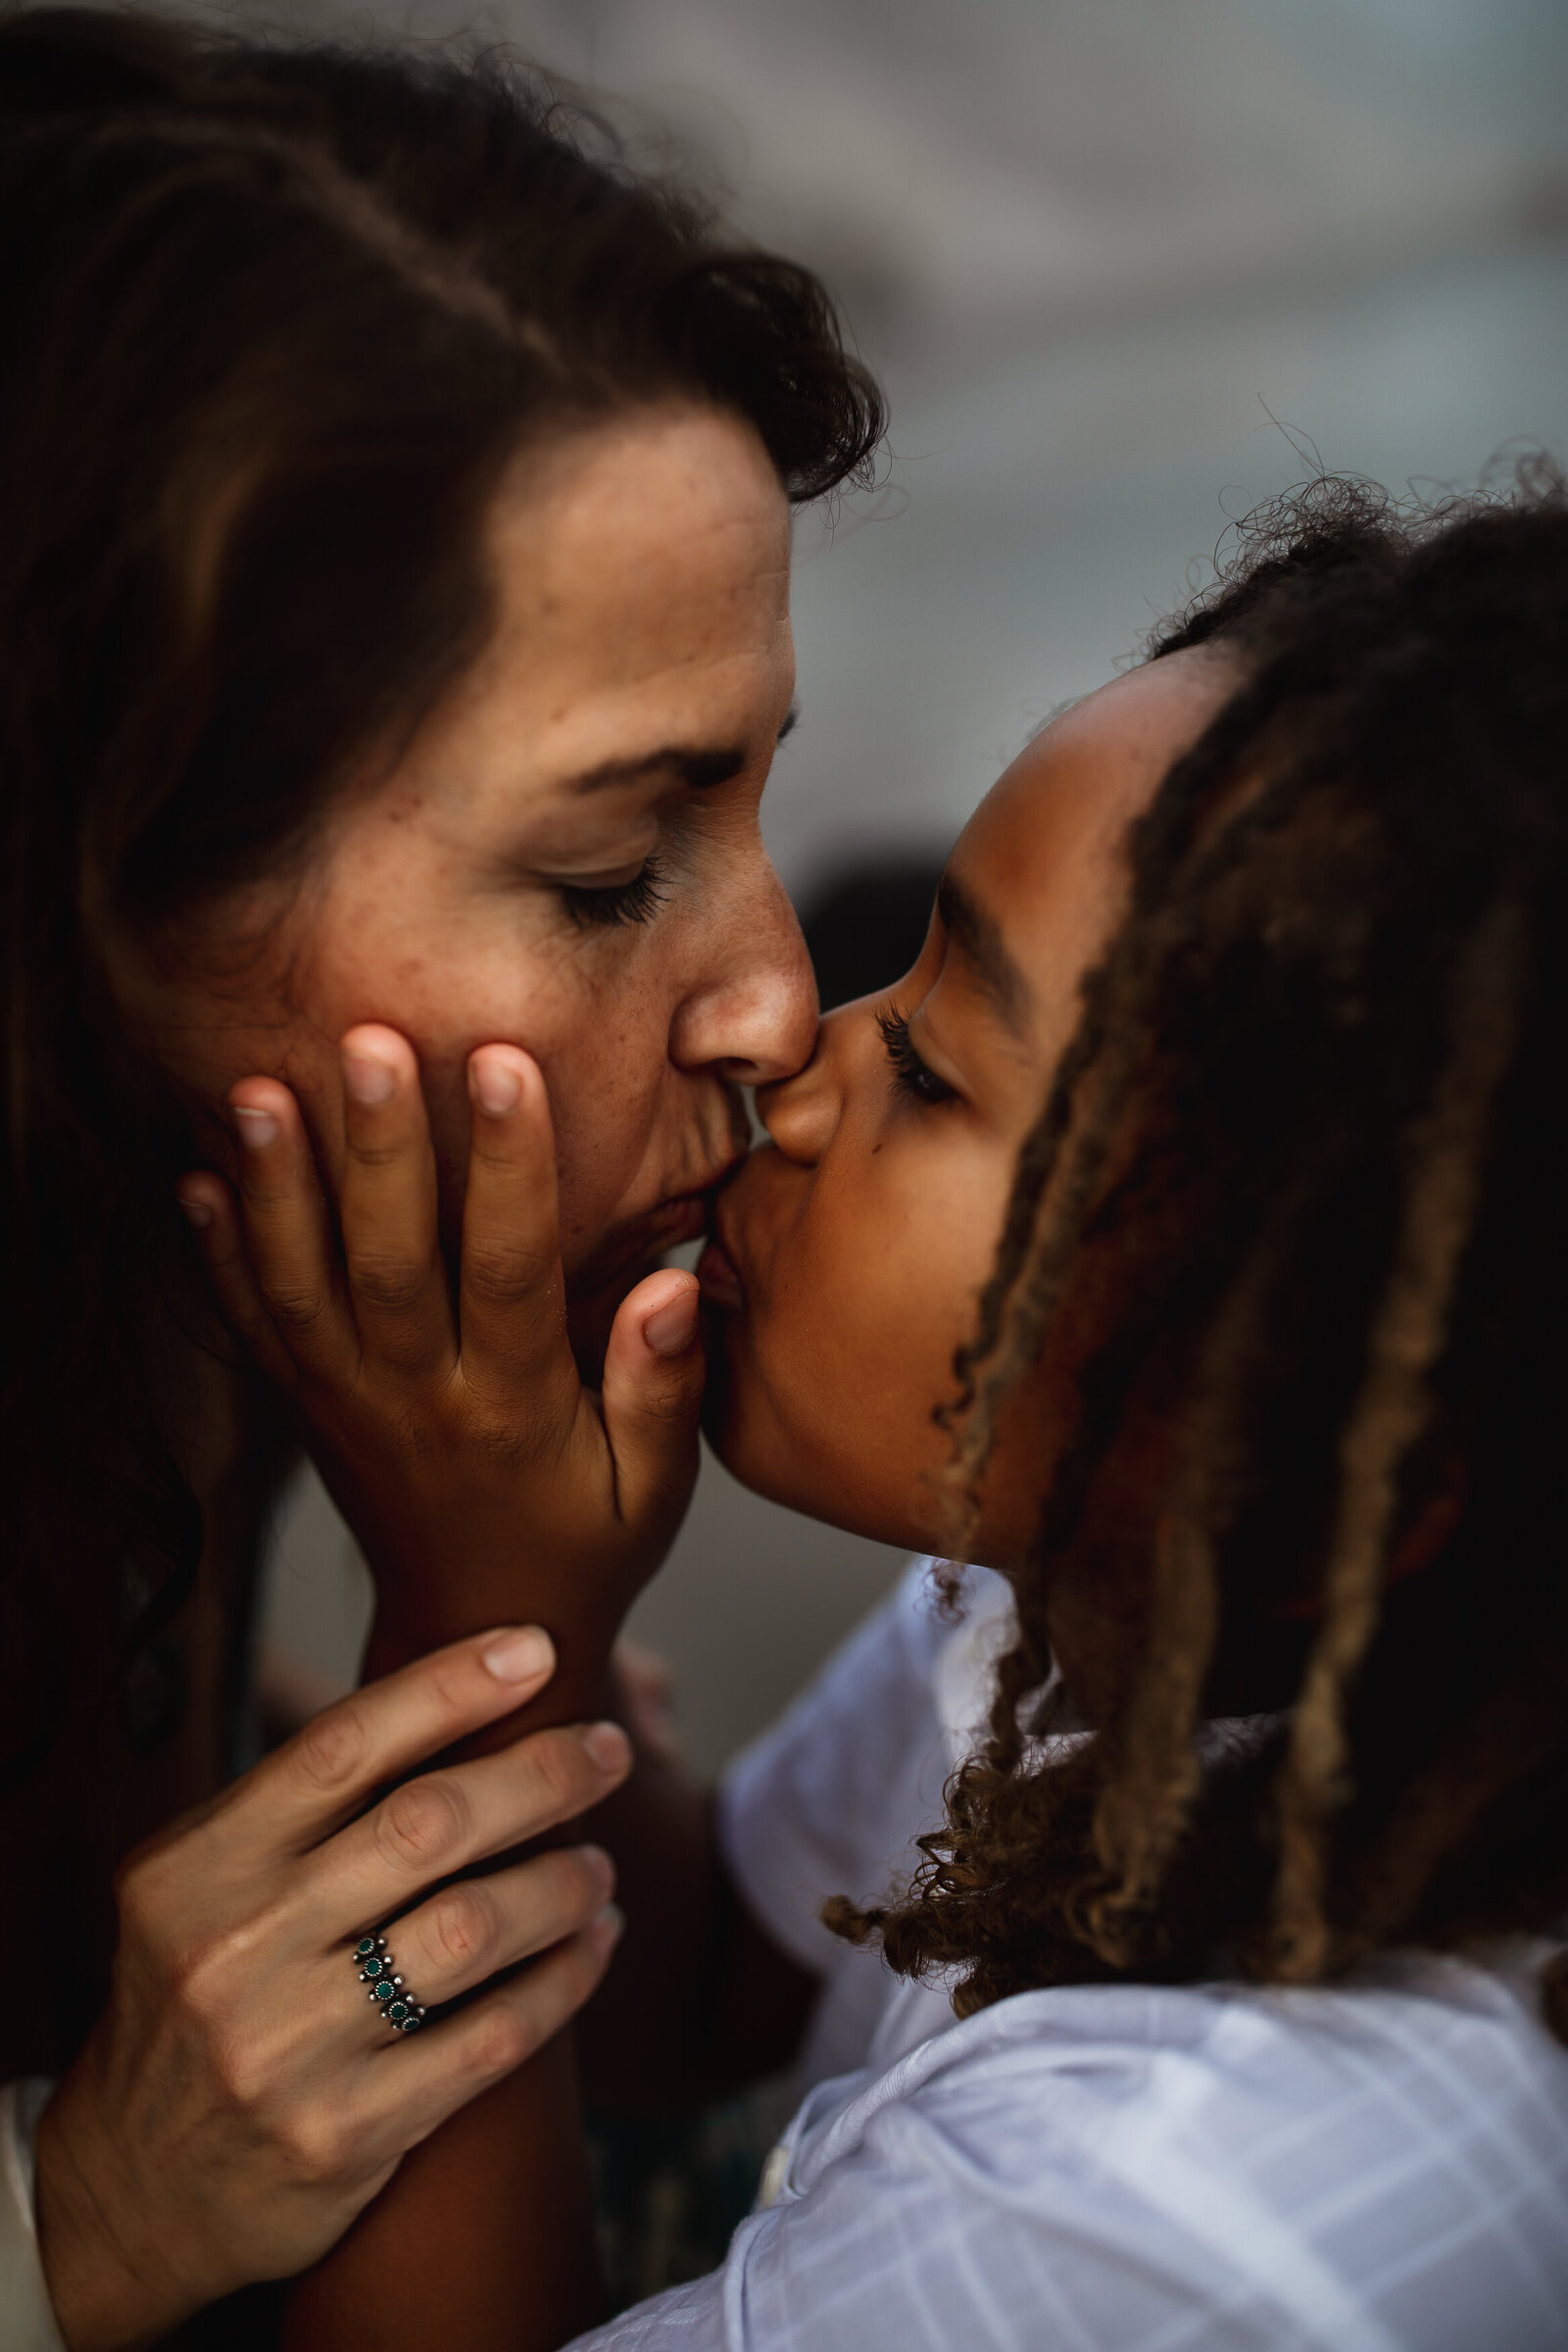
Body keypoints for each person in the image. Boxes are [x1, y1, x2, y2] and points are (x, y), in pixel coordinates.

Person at [194, 472, 1568, 2349]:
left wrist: (467, 1617)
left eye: (929, 1066)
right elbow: (710, 1990)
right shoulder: (1111, 1604)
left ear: (1326, 1427)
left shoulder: (1179, 2221)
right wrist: (533, 1583)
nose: (796, 1042)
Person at [0, 7, 881, 2344]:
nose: (778, 1003)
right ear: (103, 873)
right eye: (612, 872)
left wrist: (460, 1632)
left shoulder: (234, 1255)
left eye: (749, 795)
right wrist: (67, 2218)